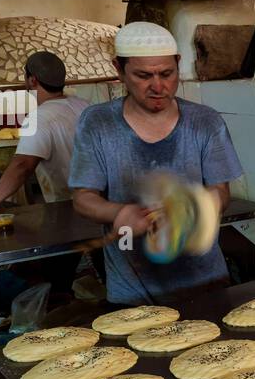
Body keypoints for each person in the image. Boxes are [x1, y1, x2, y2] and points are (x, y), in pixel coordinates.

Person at [69, 21, 243, 305]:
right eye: (143, 76)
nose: (158, 87)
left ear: (178, 64)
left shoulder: (205, 122)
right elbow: (82, 198)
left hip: (205, 285)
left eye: (167, 73)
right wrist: (118, 212)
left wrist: (197, 206)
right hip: (132, 294)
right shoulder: (97, 123)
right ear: (118, 70)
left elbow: (221, 191)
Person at [0, 51, 89, 216]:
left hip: (71, 209)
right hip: (101, 202)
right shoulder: (86, 106)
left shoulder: (39, 118)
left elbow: (22, 165)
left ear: (32, 80)